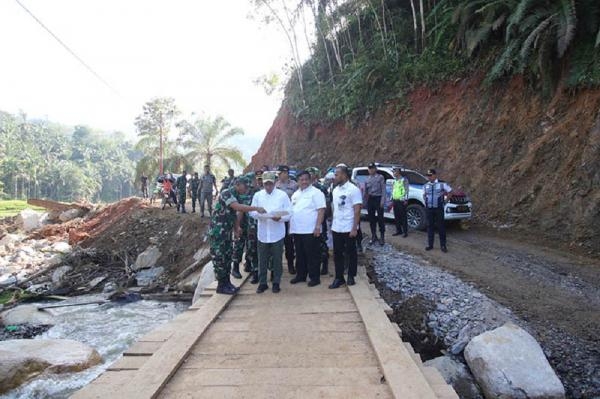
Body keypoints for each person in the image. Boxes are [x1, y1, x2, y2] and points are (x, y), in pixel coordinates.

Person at [209, 176, 266, 295]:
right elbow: (237, 207)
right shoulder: (227, 193)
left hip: (227, 231)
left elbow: (233, 214)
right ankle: (221, 285)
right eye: (245, 187)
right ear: (238, 184)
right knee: (220, 259)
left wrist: (236, 228)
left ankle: (227, 283)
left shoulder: (236, 195)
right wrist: (256, 208)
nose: (246, 190)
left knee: (227, 256)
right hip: (218, 232)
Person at [249, 172, 291, 293]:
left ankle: (276, 282)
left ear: (274, 183)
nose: (268, 186)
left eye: (270, 184)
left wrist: (280, 218)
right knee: (262, 259)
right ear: (263, 183)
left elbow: (289, 212)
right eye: (266, 184)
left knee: (277, 259)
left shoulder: (282, 195)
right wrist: (260, 215)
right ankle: (262, 283)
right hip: (263, 233)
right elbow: (252, 212)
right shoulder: (258, 195)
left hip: (277, 233)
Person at [289, 170, 326, 287]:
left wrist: (318, 226)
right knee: (299, 254)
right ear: (297, 181)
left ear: (310, 180)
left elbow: (321, 210)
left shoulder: (316, 193)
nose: (304, 181)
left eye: (306, 179)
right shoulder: (295, 194)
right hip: (297, 230)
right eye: (301, 180)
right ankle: (301, 275)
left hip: (310, 230)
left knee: (312, 254)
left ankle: (314, 277)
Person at [329, 164, 363, 289]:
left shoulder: (353, 190)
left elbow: (357, 210)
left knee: (350, 252)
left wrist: (355, 227)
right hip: (337, 226)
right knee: (337, 253)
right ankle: (339, 278)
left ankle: (351, 276)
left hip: (349, 226)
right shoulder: (335, 190)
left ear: (343, 175)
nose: (335, 177)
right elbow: (334, 208)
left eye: (337, 174)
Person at [306, 167, 330, 276]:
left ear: (316, 175)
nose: (310, 175)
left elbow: (327, 205)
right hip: (308, 221)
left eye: (312, 173)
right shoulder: (304, 187)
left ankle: (324, 265)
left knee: (322, 243)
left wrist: (323, 219)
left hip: (320, 220)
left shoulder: (321, 188)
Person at [275, 165, 298, 274]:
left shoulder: (294, 185)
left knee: (289, 242)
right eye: (278, 174)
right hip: (278, 217)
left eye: (281, 173)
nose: (279, 175)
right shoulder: (275, 185)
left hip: (290, 217)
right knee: (278, 242)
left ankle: (290, 264)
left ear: (286, 173)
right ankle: (276, 266)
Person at [423, 169, 452, 253]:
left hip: (439, 208)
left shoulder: (442, 183)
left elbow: (450, 192)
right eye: (428, 175)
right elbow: (424, 194)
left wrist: (445, 202)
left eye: (430, 175)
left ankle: (443, 245)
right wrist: (426, 202)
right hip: (429, 209)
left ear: (435, 175)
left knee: (441, 227)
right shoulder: (425, 185)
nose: (429, 177)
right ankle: (430, 245)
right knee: (430, 226)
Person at [365, 163, 386, 245]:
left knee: (380, 218)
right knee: (371, 218)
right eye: (369, 169)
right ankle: (374, 236)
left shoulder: (380, 177)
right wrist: (365, 201)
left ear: (375, 169)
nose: (371, 170)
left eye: (372, 168)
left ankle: (382, 237)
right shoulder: (367, 179)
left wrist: (382, 201)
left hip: (378, 198)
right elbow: (366, 191)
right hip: (371, 199)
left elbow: (383, 190)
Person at [392, 167, 410, 237]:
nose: (393, 173)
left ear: (398, 172)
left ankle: (405, 232)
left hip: (401, 201)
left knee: (403, 217)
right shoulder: (395, 180)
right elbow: (394, 190)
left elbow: (407, 190)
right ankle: (398, 230)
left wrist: (406, 199)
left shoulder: (404, 180)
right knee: (396, 216)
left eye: (394, 172)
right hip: (395, 200)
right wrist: (392, 198)